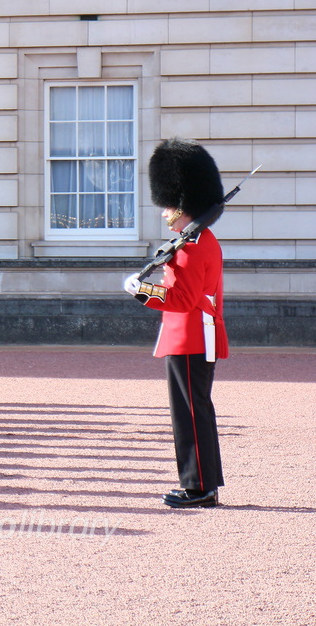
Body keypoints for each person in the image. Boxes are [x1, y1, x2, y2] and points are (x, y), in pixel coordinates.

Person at [124, 137, 228, 509]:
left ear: (182, 205)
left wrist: (142, 291)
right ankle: (203, 482)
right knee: (195, 409)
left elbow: (182, 300)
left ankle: (198, 486)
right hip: (198, 334)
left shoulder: (192, 246)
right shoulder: (198, 240)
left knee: (189, 412)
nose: (164, 212)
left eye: (168, 205)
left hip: (190, 336)